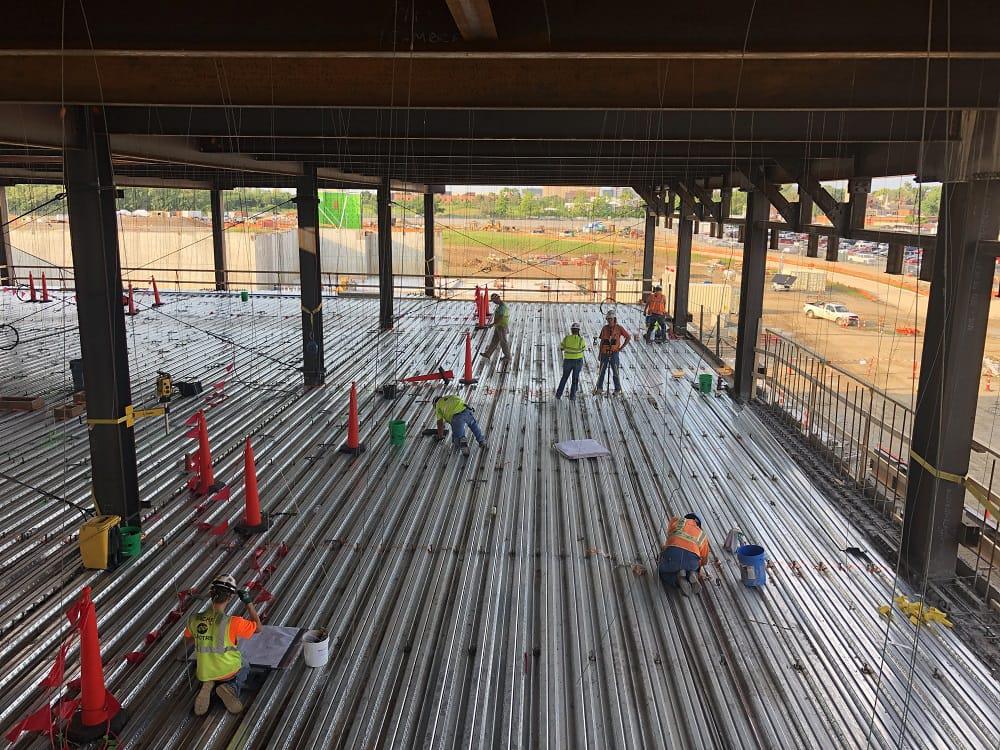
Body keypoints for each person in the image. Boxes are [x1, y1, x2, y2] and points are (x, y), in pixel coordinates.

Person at [184, 574, 260, 716]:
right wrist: (249, 603)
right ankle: (230, 687)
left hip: (204, 672)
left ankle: (208, 684)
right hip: (227, 672)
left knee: (209, 667)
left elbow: (189, 640)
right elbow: (259, 628)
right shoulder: (233, 622)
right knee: (245, 665)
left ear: (211, 593)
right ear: (230, 598)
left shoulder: (194, 619)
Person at [658, 513, 711, 596]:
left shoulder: (678, 521)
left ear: (686, 518)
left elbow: (669, 535)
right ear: (698, 525)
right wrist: (697, 567)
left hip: (674, 553)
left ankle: (677, 579)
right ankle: (692, 574)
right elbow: (704, 560)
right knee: (693, 566)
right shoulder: (702, 535)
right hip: (691, 560)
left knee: (662, 571)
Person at [594, 309, 631, 395]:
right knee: (601, 372)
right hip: (604, 353)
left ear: (614, 319)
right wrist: (599, 354)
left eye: (610, 319)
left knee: (615, 371)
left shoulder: (619, 328)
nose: (609, 321)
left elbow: (628, 337)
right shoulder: (604, 328)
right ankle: (599, 388)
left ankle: (617, 389)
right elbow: (602, 341)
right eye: (608, 319)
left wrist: (621, 348)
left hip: (614, 353)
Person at [555, 322, 587, 401]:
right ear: (578, 330)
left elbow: (561, 348)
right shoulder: (581, 340)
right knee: (575, 378)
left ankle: (558, 394)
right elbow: (583, 348)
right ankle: (572, 396)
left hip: (568, 361)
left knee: (564, 377)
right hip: (578, 361)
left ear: (571, 330)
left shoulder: (566, 338)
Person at [481, 293, 511, 363]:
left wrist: (493, 324)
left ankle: (508, 357)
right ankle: (488, 354)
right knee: (494, 341)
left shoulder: (502, 307)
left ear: (498, 298)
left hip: (502, 326)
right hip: (499, 326)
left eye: (494, 300)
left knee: (503, 342)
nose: (493, 302)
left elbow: (501, 317)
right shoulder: (500, 306)